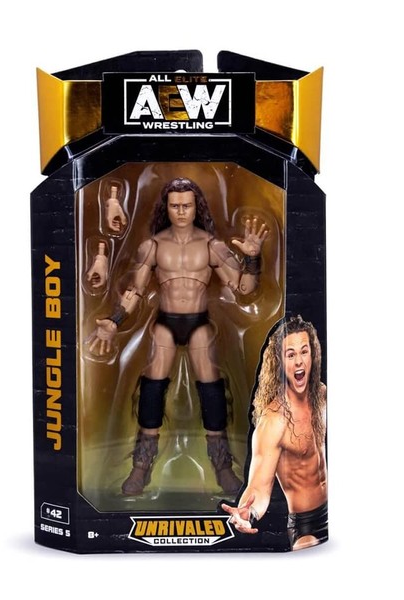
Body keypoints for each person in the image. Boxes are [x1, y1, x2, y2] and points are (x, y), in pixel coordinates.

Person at [89, 177, 269, 496]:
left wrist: (253, 258)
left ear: (197, 207)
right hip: (165, 322)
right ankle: (140, 468)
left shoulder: (211, 245)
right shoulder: (153, 246)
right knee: (153, 385)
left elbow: (243, 288)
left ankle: (223, 468)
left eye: (187, 205)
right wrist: (114, 322)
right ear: (167, 208)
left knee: (211, 386)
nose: (181, 211)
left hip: (199, 323)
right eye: (175, 206)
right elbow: (134, 291)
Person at [221, 315, 327, 550]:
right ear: (279, 362)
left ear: (313, 354)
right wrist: (247, 512)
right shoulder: (274, 420)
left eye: (304, 352)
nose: (299, 362)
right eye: (291, 355)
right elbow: (259, 485)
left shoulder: (321, 396)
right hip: (305, 526)